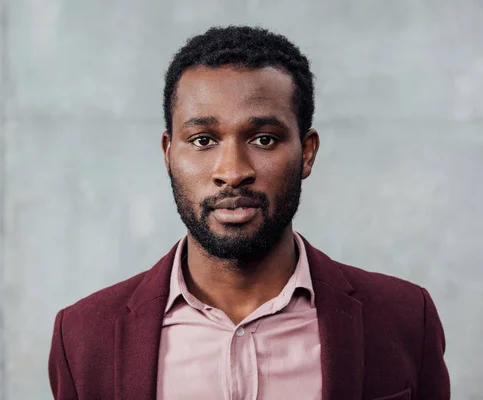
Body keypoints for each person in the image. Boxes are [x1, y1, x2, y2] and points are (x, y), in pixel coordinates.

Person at [48, 26, 450, 400]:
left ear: (306, 152)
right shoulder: (83, 336)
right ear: (169, 154)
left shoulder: (406, 320)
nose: (232, 172)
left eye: (263, 139)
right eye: (203, 140)